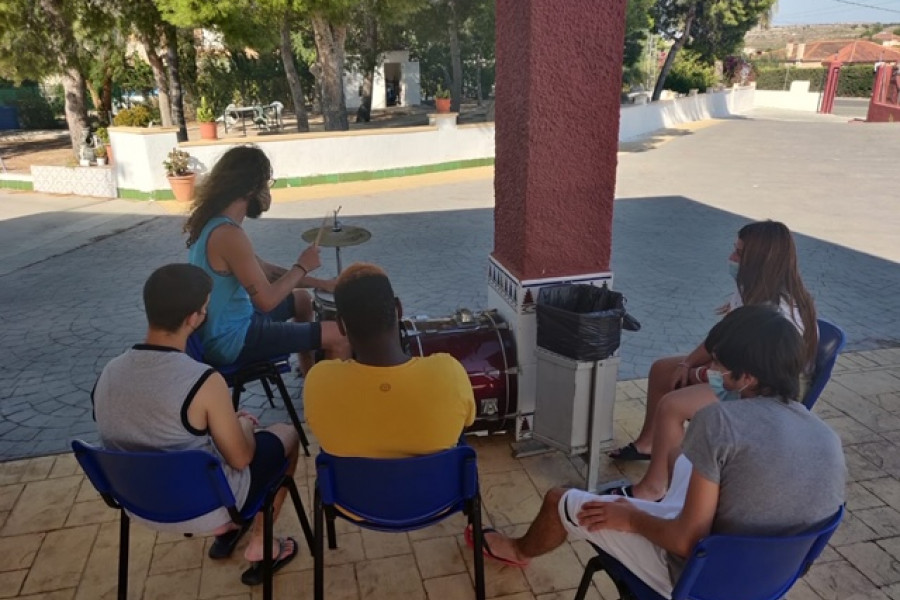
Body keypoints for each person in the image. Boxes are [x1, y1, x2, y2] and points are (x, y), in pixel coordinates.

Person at [472, 306, 845, 598]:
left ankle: (519, 550)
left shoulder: (719, 421)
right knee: (682, 460)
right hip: (768, 584)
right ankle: (654, 501)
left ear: (746, 378)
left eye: (717, 365)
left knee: (560, 500)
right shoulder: (827, 437)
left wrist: (631, 519)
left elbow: (687, 541)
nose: (708, 372)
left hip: (696, 582)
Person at [92, 264, 301, 586]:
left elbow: (147, 428)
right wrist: (243, 423)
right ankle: (261, 542)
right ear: (194, 318)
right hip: (205, 506)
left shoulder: (109, 371)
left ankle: (228, 531)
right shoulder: (202, 380)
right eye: (205, 310)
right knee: (285, 434)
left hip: (137, 503)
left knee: (196, 442)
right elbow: (241, 458)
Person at [607, 220, 818, 501]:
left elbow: (749, 377)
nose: (731, 259)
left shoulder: (777, 314)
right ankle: (649, 445)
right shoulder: (750, 289)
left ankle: (655, 486)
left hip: (761, 392)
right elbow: (720, 338)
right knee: (663, 370)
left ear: (759, 260)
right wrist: (688, 364)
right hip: (742, 373)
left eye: (739, 254)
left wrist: (699, 375)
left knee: (673, 406)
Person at [184, 144, 349, 373]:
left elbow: (267, 273)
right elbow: (266, 300)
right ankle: (326, 404)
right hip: (233, 340)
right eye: (267, 183)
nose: (268, 192)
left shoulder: (216, 224)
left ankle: (309, 372)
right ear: (251, 187)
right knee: (339, 336)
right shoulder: (229, 235)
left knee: (301, 299)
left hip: (225, 327)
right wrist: (302, 266)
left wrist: (321, 284)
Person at [305, 262, 476, 457]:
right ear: (399, 309)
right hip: (434, 487)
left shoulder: (319, 381)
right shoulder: (449, 373)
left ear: (341, 326)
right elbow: (469, 420)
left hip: (358, 488)